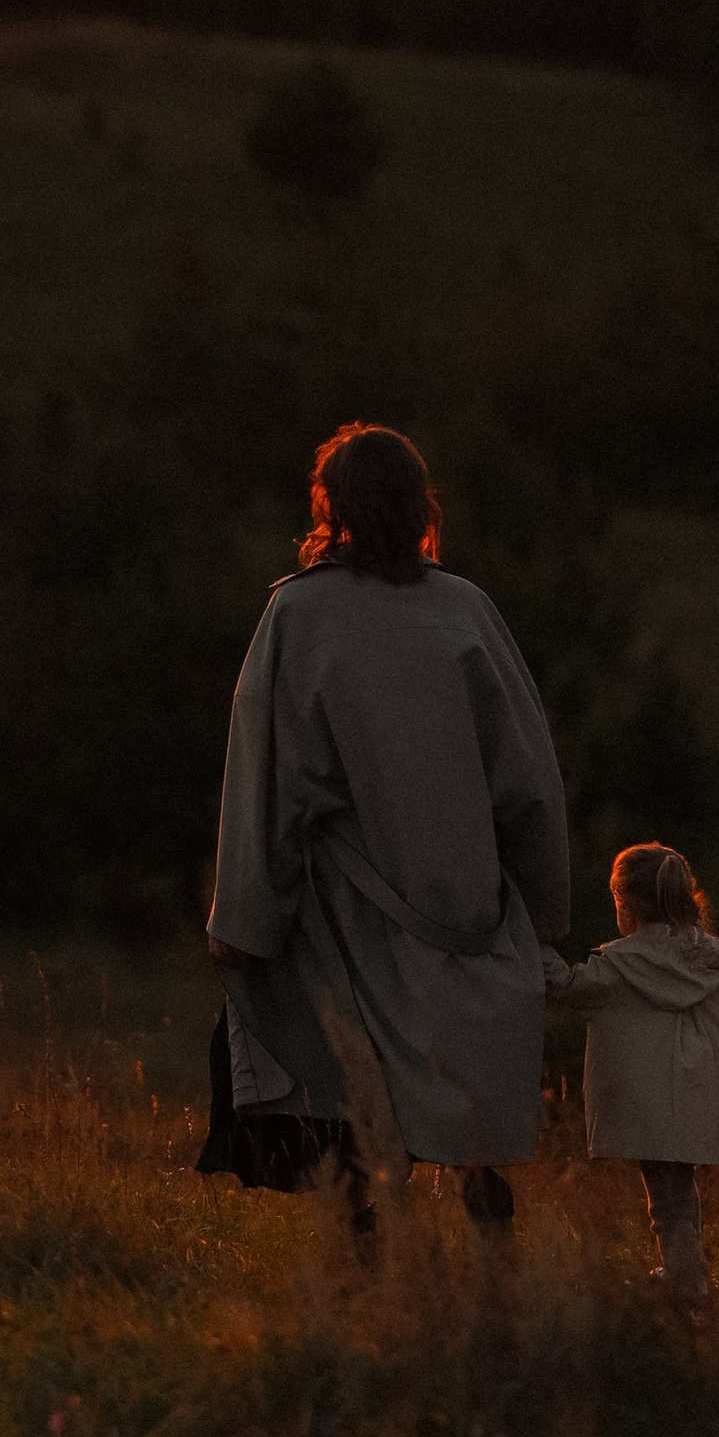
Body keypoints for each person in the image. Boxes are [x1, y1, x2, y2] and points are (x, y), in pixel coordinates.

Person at [199, 421, 569, 1236]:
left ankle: (371, 1268)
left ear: (333, 506)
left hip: (349, 918)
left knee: (347, 1100)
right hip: (470, 916)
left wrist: (244, 921)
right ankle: (479, 1244)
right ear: (416, 504)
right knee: (461, 1112)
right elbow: (529, 783)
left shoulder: (299, 614)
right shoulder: (468, 610)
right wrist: (539, 917)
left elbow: (267, 783)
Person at [544, 840, 719, 1310]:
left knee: (669, 1202)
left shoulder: (617, 967)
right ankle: (684, 1274)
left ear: (628, 908)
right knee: (679, 1193)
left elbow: (563, 985)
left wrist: (526, 941)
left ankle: (688, 1290)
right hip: (701, 1098)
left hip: (644, 1108)